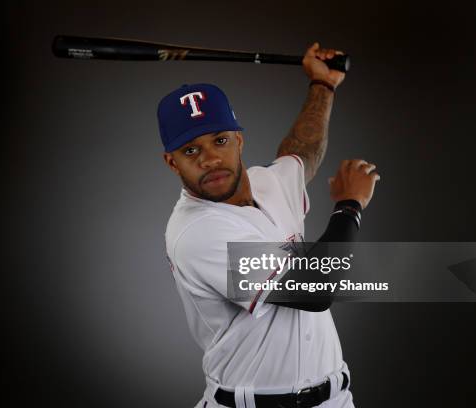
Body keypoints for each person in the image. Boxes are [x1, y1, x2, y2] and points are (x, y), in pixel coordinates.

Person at [159, 43, 380, 408]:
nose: (211, 159)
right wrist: (349, 205)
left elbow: (302, 151)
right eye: (191, 150)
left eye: (219, 140)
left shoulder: (267, 182)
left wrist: (323, 86)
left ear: (238, 140)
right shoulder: (195, 232)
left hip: (335, 399)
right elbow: (312, 291)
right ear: (172, 162)